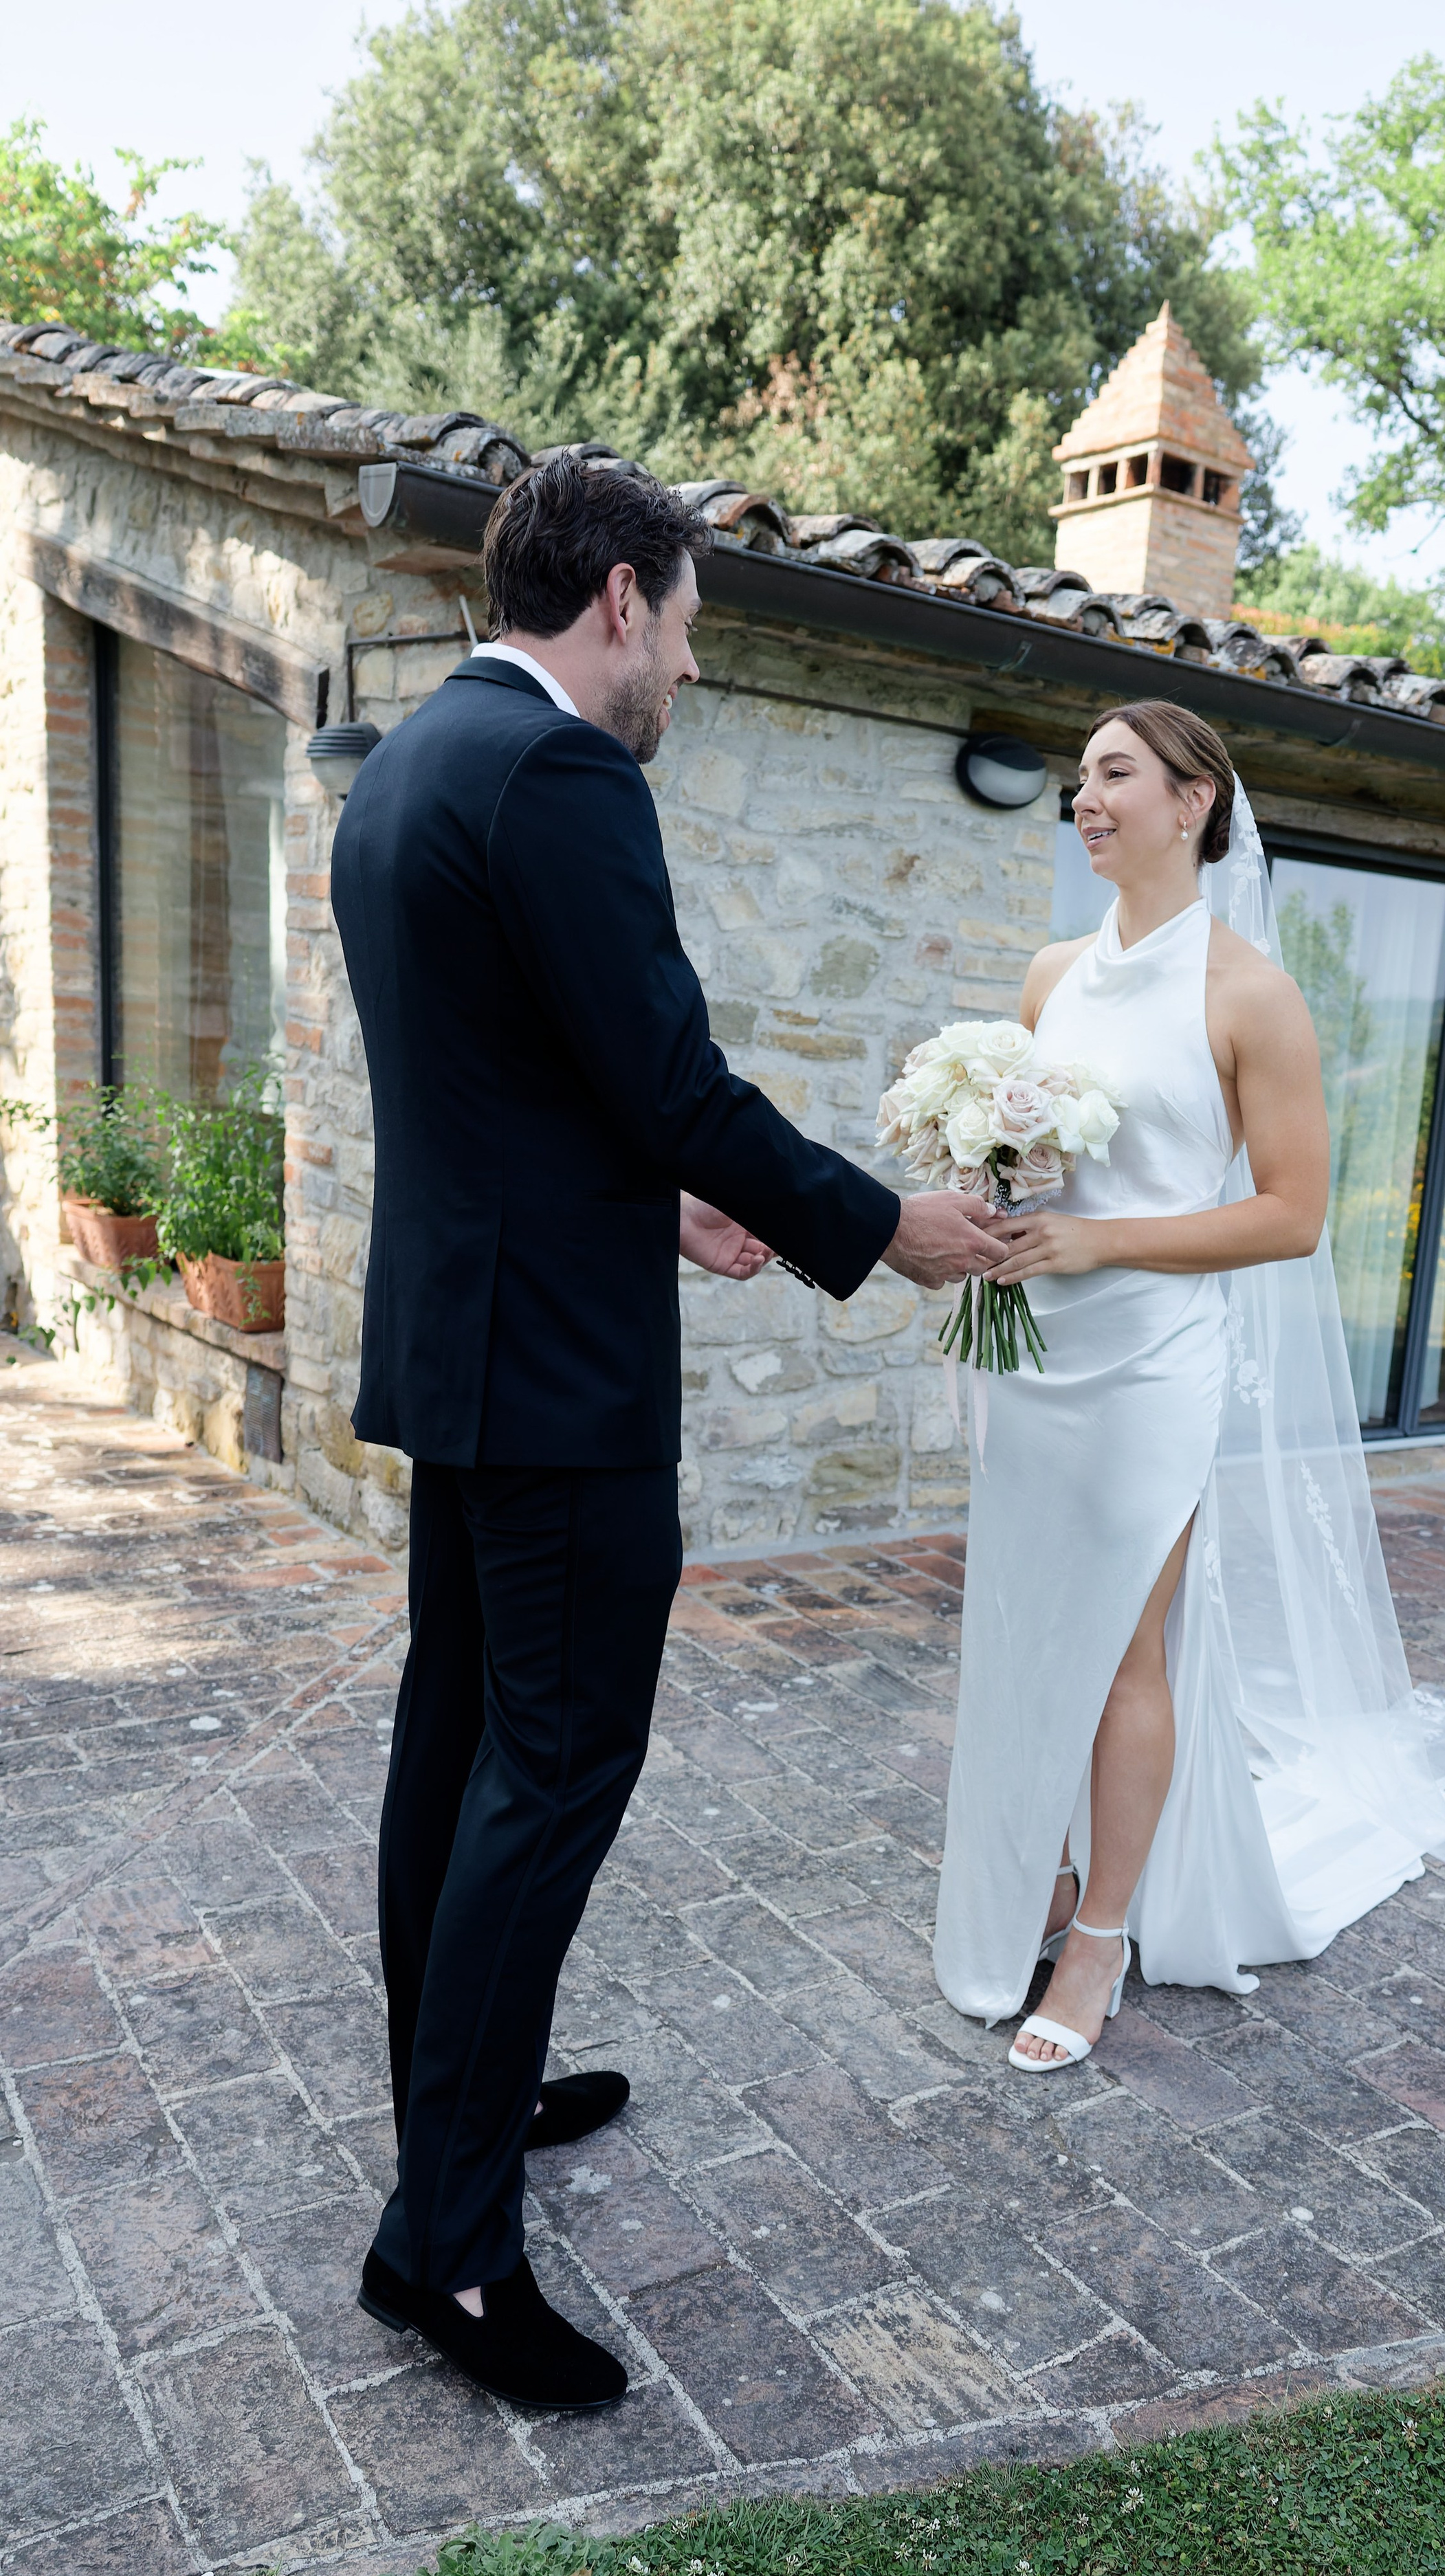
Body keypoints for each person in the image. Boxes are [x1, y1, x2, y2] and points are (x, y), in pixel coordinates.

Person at [330, 456, 1004, 2409]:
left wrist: (663, 1198)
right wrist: (882, 1228)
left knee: (456, 1749)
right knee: (551, 1773)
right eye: (694, 626)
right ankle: (445, 2250)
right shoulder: (560, 777)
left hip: (470, 1349)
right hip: (556, 1382)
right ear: (620, 599)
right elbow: (672, 1071)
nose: (690, 672)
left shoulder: (408, 763)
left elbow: (528, 1081)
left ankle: (466, 2098)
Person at [931, 700, 1445, 2068]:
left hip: (1153, 1363)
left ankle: (1100, 1933)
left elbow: (1291, 1215)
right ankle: (1033, 1883)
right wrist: (986, 1201)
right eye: (1076, 779)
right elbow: (1030, 1160)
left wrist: (1100, 1238)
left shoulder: (1247, 992)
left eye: (1113, 774)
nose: (1084, 796)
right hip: (1036, 1350)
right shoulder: (1051, 973)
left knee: (1127, 1642)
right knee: (1021, 1623)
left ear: (1193, 802)